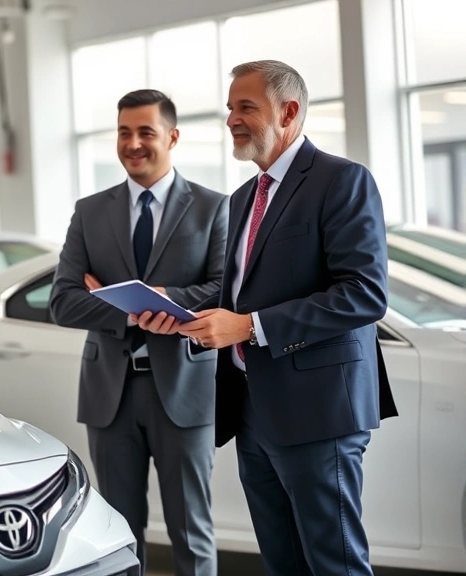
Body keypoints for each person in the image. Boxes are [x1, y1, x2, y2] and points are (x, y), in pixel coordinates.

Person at [147, 60, 398, 575]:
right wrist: (178, 313)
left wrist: (249, 327)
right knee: (283, 562)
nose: (232, 119)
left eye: (246, 107)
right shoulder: (245, 197)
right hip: (252, 409)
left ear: (288, 112)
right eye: (229, 108)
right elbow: (239, 292)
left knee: (335, 563)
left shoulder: (341, 180)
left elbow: (364, 294)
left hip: (319, 411)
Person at [50, 89, 228, 576]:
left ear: (171, 137)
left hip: (185, 392)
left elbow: (225, 292)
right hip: (112, 394)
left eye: (146, 132)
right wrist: (128, 311)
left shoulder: (213, 208)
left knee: (192, 529)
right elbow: (63, 301)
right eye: (124, 132)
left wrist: (163, 298)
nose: (133, 143)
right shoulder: (90, 212)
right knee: (117, 533)